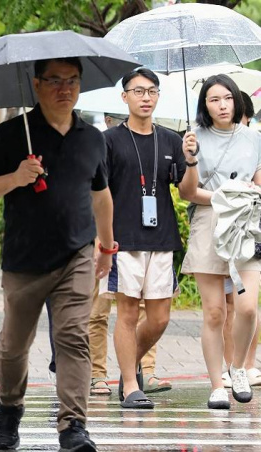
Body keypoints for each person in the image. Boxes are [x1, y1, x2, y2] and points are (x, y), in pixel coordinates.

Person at [0, 58, 114, 451]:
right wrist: (16, 178)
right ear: (36, 85)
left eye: (72, 80)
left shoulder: (92, 137)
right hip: (25, 260)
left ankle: (73, 427)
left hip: (77, 255)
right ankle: (9, 408)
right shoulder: (10, 134)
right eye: (54, 81)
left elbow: (101, 196)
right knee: (13, 346)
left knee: (72, 335)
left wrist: (107, 246)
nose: (64, 89)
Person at [99, 68, 199, 409]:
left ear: (158, 97)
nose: (145, 97)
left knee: (159, 318)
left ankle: (129, 365)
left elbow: (186, 192)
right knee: (127, 313)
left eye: (151, 91)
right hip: (123, 238)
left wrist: (191, 159)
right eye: (138, 91)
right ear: (124, 97)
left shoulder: (171, 139)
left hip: (162, 238)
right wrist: (105, 241)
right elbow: (100, 193)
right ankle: (129, 384)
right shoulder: (109, 140)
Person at [180, 75, 261, 409]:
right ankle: (217, 384)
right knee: (214, 312)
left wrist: (248, 194)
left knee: (247, 306)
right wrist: (190, 159)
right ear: (205, 105)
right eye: (214, 99)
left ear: (236, 101)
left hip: (245, 225)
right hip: (209, 221)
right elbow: (187, 192)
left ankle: (239, 367)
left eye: (227, 98)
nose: (223, 105)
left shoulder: (254, 138)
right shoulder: (193, 138)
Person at [221, 92, 261, 389]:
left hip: (249, 231)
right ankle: (232, 366)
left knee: (246, 305)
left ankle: (246, 363)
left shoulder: (254, 143)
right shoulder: (212, 142)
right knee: (224, 308)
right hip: (220, 230)